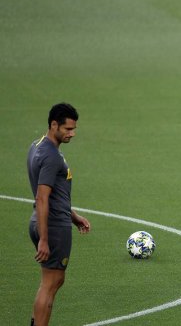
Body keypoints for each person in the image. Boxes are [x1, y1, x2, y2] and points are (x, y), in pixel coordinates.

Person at [27, 102, 91, 326]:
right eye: (67, 129)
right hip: (52, 227)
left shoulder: (36, 146)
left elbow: (51, 196)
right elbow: (42, 197)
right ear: (54, 124)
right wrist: (44, 239)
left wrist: (74, 216)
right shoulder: (52, 157)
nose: (71, 134)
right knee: (51, 283)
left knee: (51, 281)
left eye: (74, 129)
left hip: (43, 220)